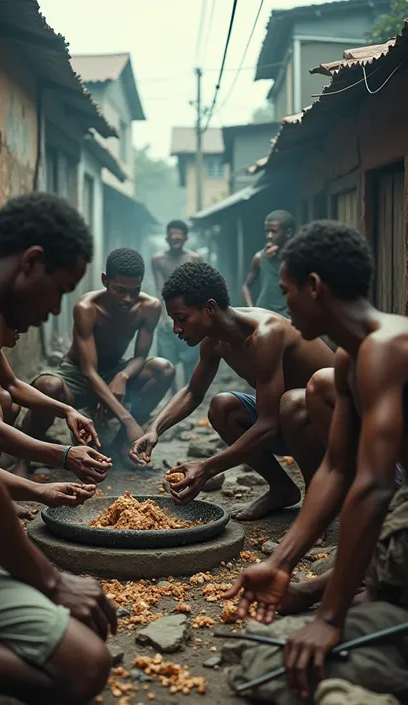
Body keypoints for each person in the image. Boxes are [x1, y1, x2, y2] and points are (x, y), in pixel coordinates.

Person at [0, 192, 116, 702]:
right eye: (58, 290)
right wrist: (54, 582)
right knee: (86, 663)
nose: (55, 309)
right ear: (31, 261)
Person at [226, 221, 408, 702]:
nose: (283, 304)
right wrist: (281, 563)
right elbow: (338, 470)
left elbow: (374, 488)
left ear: (314, 287)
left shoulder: (387, 347)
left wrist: (328, 617)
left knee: (312, 652)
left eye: (286, 291)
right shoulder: (350, 358)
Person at [130, 261, 334, 520]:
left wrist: (205, 468)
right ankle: (282, 489)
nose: (176, 329)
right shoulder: (213, 342)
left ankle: (320, 503)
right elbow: (193, 392)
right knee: (222, 407)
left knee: (292, 402)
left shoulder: (265, 335)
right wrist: (154, 429)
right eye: (173, 320)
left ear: (210, 308)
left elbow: (268, 424)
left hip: (335, 429)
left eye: (181, 318)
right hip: (290, 425)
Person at [23, 248, 175, 468]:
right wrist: (128, 420)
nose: (128, 299)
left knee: (164, 369)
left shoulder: (150, 308)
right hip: (78, 373)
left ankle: (123, 444)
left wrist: (122, 375)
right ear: (105, 280)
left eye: (135, 290)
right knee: (47, 385)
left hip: (114, 369)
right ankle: (24, 456)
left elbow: (141, 356)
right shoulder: (87, 307)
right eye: (120, 290)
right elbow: (89, 372)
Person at [0, 322, 112, 483]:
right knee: (5, 401)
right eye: (17, 319)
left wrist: (67, 411)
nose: (24, 328)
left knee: (9, 402)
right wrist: (64, 456)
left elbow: (12, 384)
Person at [152, 220, 201, 393]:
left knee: (190, 358)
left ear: (186, 238)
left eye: (179, 235)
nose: (175, 238)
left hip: (189, 315)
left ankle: (189, 393)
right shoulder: (158, 259)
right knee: (167, 361)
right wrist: (164, 318)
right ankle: (174, 396)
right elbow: (160, 289)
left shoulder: (194, 259)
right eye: (172, 235)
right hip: (168, 315)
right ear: (167, 238)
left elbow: (197, 289)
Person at [242, 210, 295, 316]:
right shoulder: (260, 257)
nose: (269, 236)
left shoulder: (297, 258)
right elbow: (246, 287)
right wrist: (252, 309)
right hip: (264, 315)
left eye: (274, 231)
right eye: (267, 231)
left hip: (289, 315)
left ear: (288, 233)